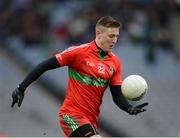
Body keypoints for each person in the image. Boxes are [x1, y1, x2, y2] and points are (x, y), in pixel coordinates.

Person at [11, 16, 148, 137]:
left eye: (117, 36)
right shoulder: (78, 52)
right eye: (111, 36)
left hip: (91, 121)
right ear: (98, 33)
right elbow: (44, 65)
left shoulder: (115, 63)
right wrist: (21, 88)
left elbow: (117, 96)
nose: (115, 40)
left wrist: (129, 108)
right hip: (71, 115)